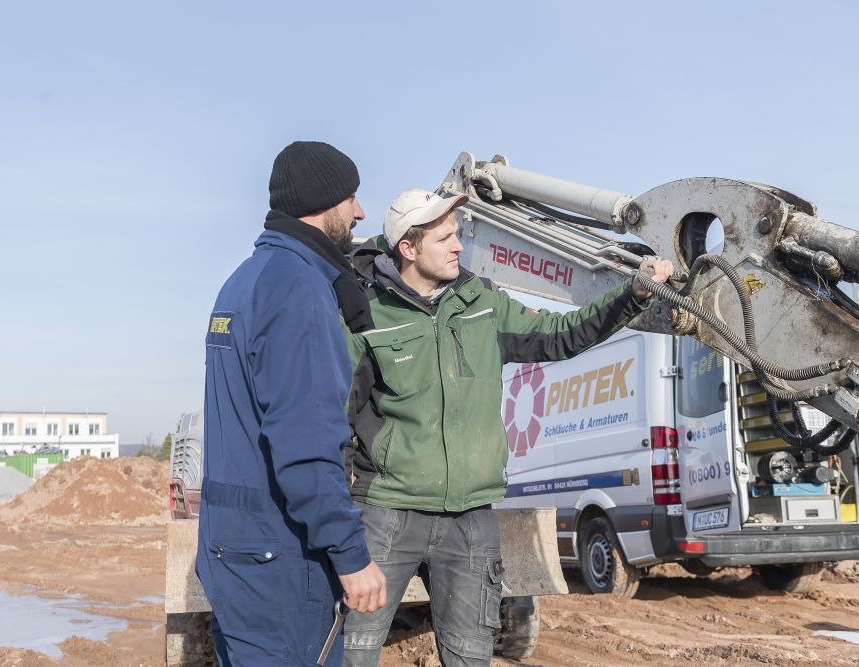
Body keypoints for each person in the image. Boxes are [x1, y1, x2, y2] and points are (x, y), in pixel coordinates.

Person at [342, 187, 674, 666]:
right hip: (386, 515)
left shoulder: (482, 304)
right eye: (445, 238)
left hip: (471, 519)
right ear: (408, 249)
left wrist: (632, 296)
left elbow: (563, 335)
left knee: (472, 656)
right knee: (353, 653)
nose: (458, 246)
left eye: (457, 235)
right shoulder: (364, 315)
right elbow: (334, 416)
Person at [197, 141, 387, 666]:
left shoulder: (243, 281)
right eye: (351, 197)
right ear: (322, 202)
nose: (360, 212)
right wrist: (350, 555)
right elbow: (304, 446)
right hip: (278, 557)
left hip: (231, 549)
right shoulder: (299, 288)